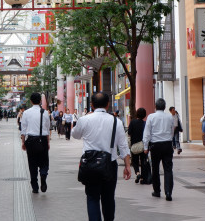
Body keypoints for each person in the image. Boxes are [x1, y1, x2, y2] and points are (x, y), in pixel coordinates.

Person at [72, 92, 131, 220]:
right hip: (109, 164)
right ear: (108, 104)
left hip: (90, 165)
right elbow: (123, 146)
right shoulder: (116, 122)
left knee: (92, 198)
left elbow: (75, 135)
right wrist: (127, 165)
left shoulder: (84, 120)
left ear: (92, 105)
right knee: (108, 198)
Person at [143, 98, 175, 201]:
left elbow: (147, 133)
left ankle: (157, 191)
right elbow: (172, 131)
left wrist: (145, 147)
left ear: (155, 106)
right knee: (168, 169)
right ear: (165, 107)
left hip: (155, 146)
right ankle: (168, 192)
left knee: (155, 169)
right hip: (167, 144)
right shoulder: (170, 117)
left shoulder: (151, 117)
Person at [20, 92, 51, 194]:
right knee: (44, 162)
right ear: (40, 101)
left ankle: (35, 187)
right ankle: (43, 174)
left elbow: (23, 129)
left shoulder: (26, 113)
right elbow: (47, 128)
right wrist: (48, 141)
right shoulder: (45, 112)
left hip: (31, 140)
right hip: (42, 140)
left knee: (32, 164)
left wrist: (23, 142)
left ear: (31, 101)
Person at [128, 107, 148, 184]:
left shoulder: (133, 122)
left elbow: (129, 132)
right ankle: (142, 178)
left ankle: (137, 173)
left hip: (134, 145)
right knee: (143, 161)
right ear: (144, 115)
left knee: (134, 161)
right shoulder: (145, 123)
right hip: (143, 145)